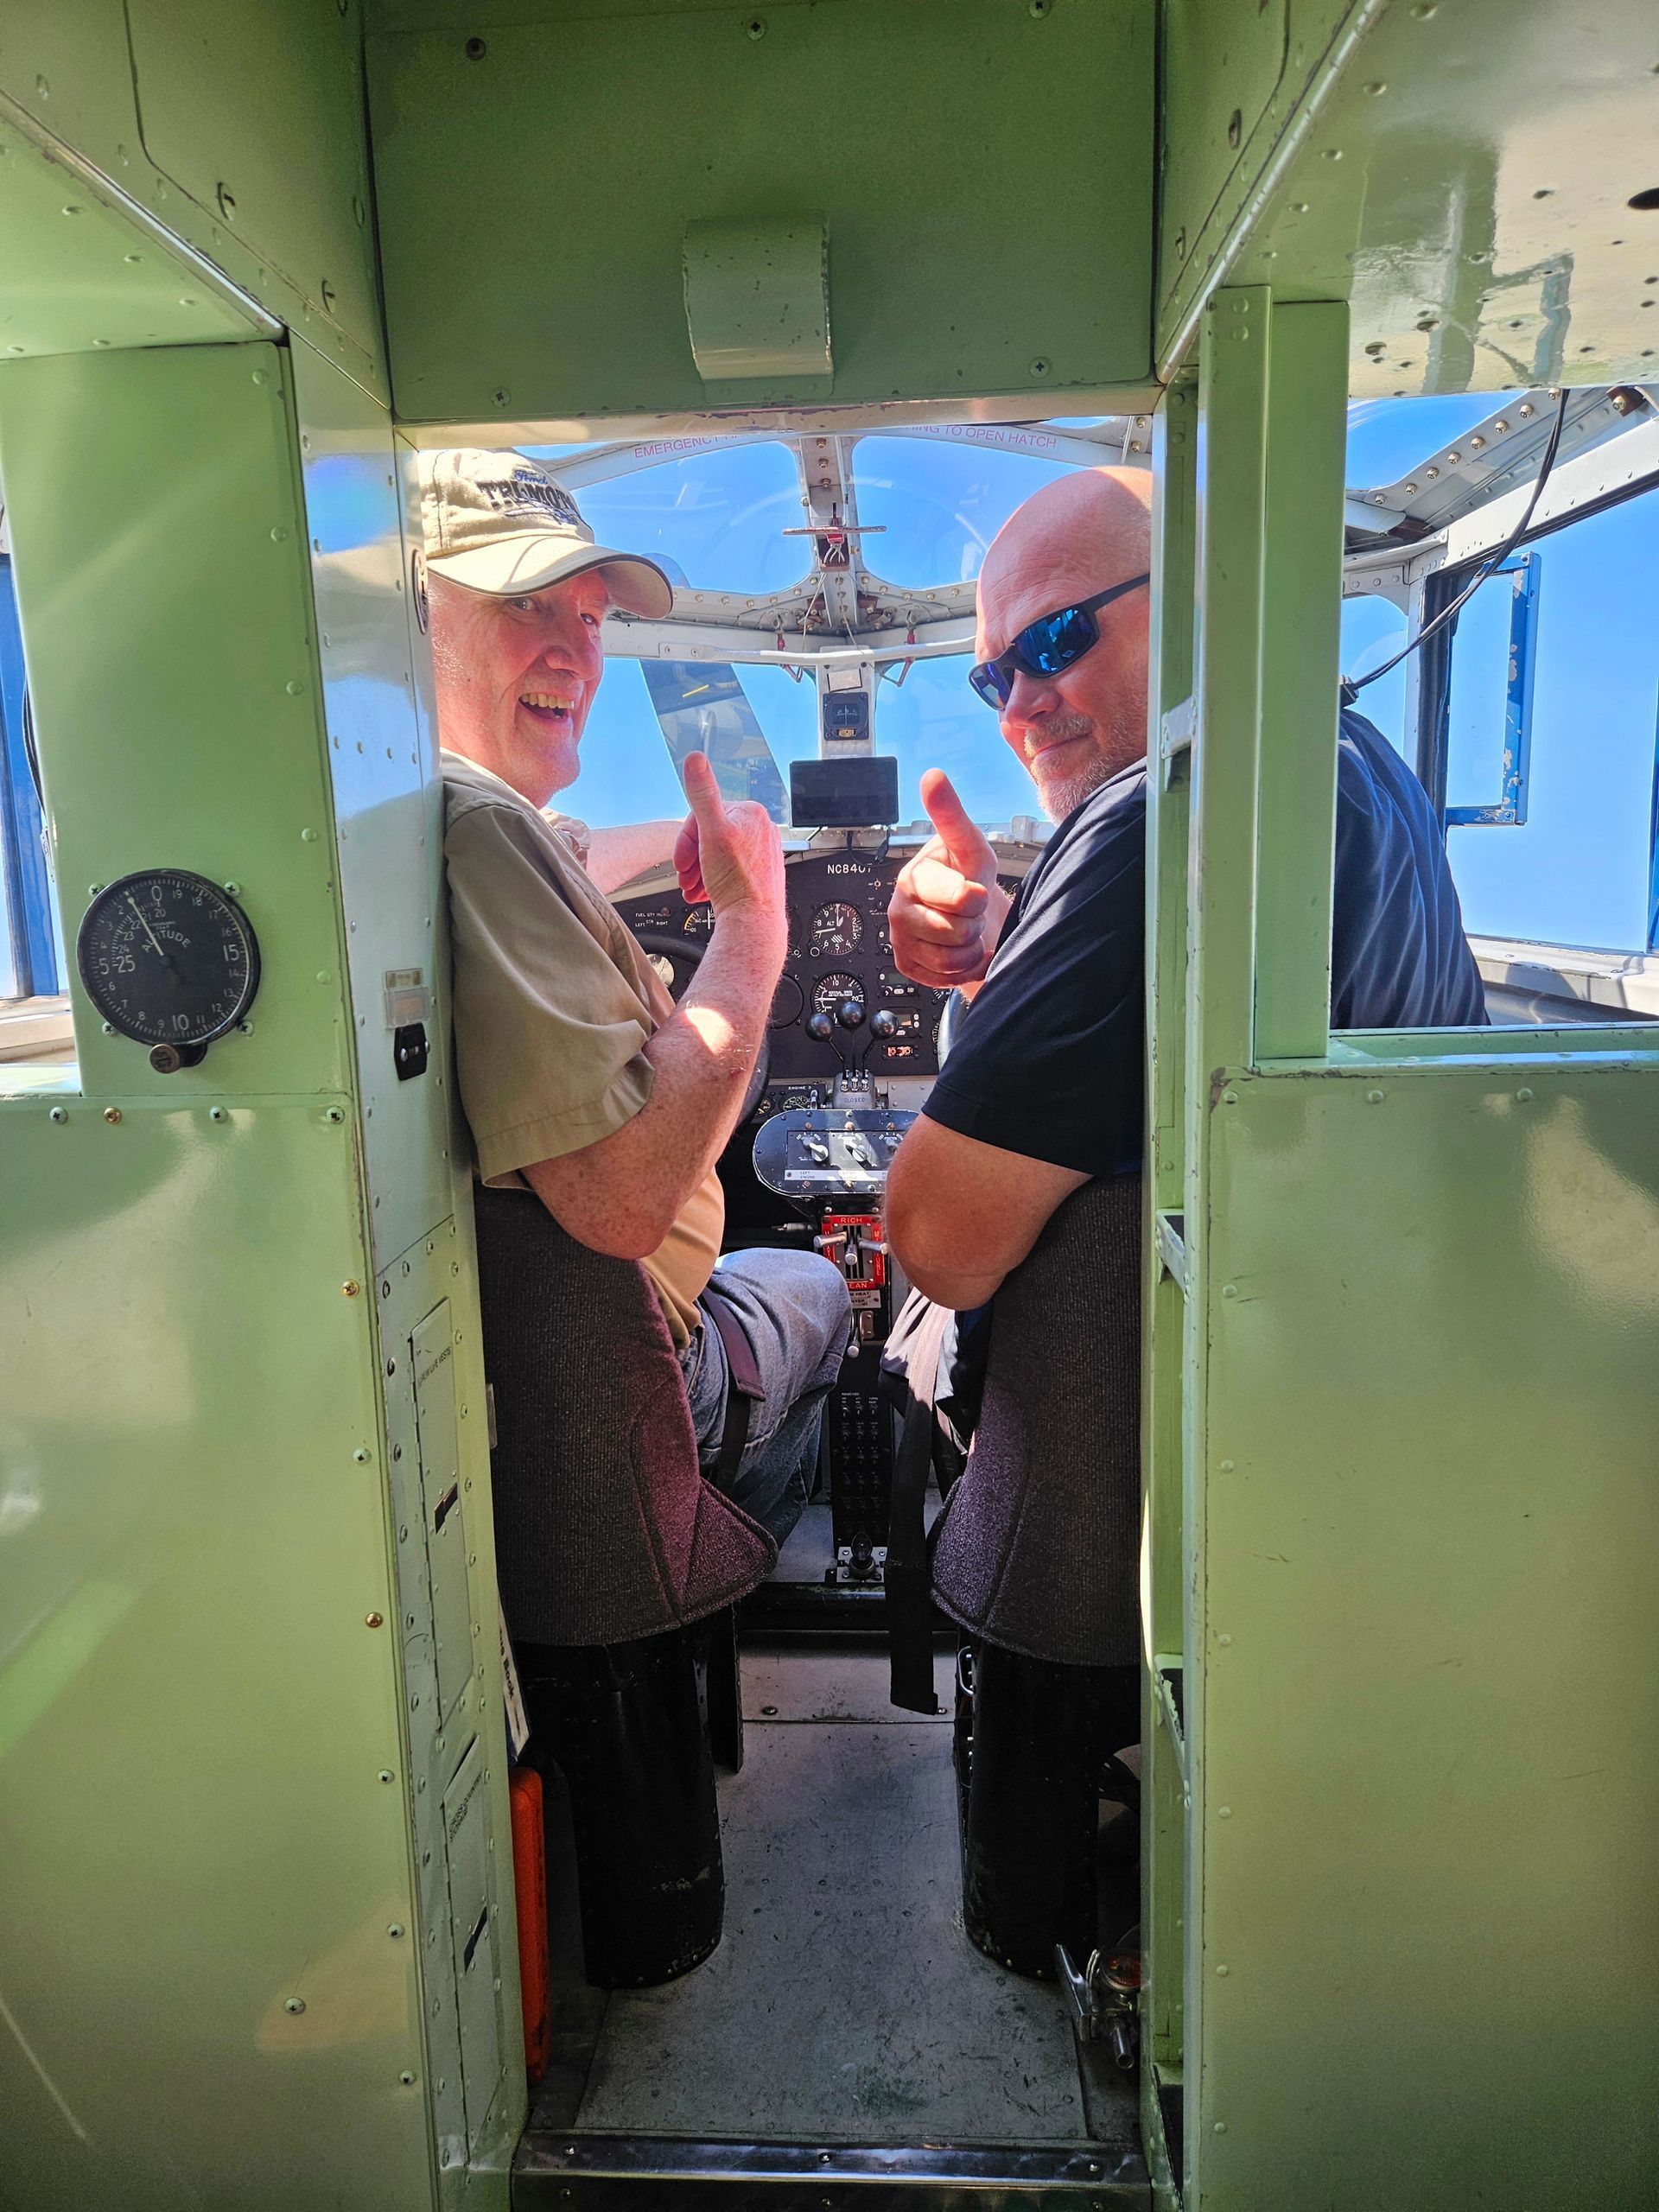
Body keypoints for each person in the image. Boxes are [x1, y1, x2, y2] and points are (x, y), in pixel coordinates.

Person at [885, 464, 1486, 1310]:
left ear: (1203, 600)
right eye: (994, 678)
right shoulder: (1370, 769)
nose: (1016, 710)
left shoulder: (1155, 817)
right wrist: (998, 961)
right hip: (1382, 1325)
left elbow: (937, 1244)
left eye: (1054, 639)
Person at [423, 448, 849, 1547]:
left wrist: (616, 857)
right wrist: (755, 929)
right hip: (648, 1381)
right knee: (818, 1283)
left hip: (540, 1382)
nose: (576, 650)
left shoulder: (443, 818)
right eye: (526, 604)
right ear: (404, 615)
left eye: (594, 616)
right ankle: (721, 1543)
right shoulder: (483, 827)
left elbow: (535, 851)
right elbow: (620, 1204)